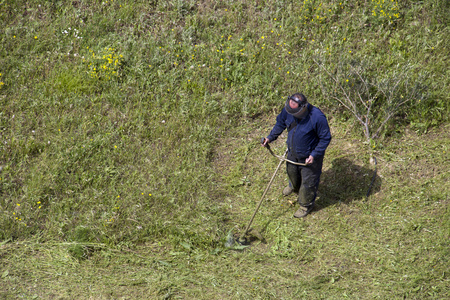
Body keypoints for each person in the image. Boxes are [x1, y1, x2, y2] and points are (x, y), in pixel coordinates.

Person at [262, 93, 331, 218]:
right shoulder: (289, 109)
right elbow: (280, 123)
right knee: (292, 172)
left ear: (303, 107)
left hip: (310, 157)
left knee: (308, 182)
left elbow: (325, 138)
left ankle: (306, 205)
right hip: (293, 152)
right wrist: (270, 138)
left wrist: (314, 155)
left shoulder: (317, 117)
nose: (291, 115)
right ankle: (293, 187)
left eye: (295, 113)